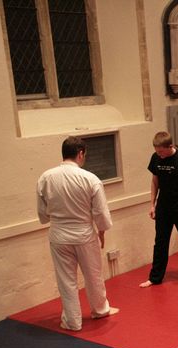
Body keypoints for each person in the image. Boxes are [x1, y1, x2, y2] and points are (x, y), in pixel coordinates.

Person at [36, 136, 118, 330]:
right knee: (93, 274)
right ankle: (100, 309)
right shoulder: (90, 179)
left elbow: (42, 212)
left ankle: (72, 321)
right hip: (83, 233)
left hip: (58, 234)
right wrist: (102, 230)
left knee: (66, 279)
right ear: (81, 153)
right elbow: (100, 211)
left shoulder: (46, 177)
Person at [139, 132, 178, 287]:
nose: (159, 154)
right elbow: (154, 182)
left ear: (170, 146)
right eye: (157, 151)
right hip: (163, 208)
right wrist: (152, 204)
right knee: (160, 243)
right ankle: (155, 277)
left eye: (161, 151)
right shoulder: (155, 158)